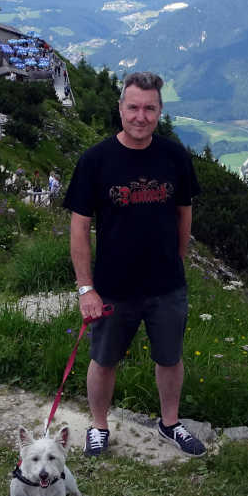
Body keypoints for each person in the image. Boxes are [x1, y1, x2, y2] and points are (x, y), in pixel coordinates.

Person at [64, 71, 203, 457]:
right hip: (112, 286)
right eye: (133, 107)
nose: (140, 116)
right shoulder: (95, 160)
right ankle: (98, 425)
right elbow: (79, 228)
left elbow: (184, 213)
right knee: (103, 359)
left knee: (170, 358)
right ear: (120, 108)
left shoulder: (174, 156)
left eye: (149, 108)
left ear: (159, 112)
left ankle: (170, 424)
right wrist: (85, 288)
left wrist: (177, 263)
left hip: (166, 286)